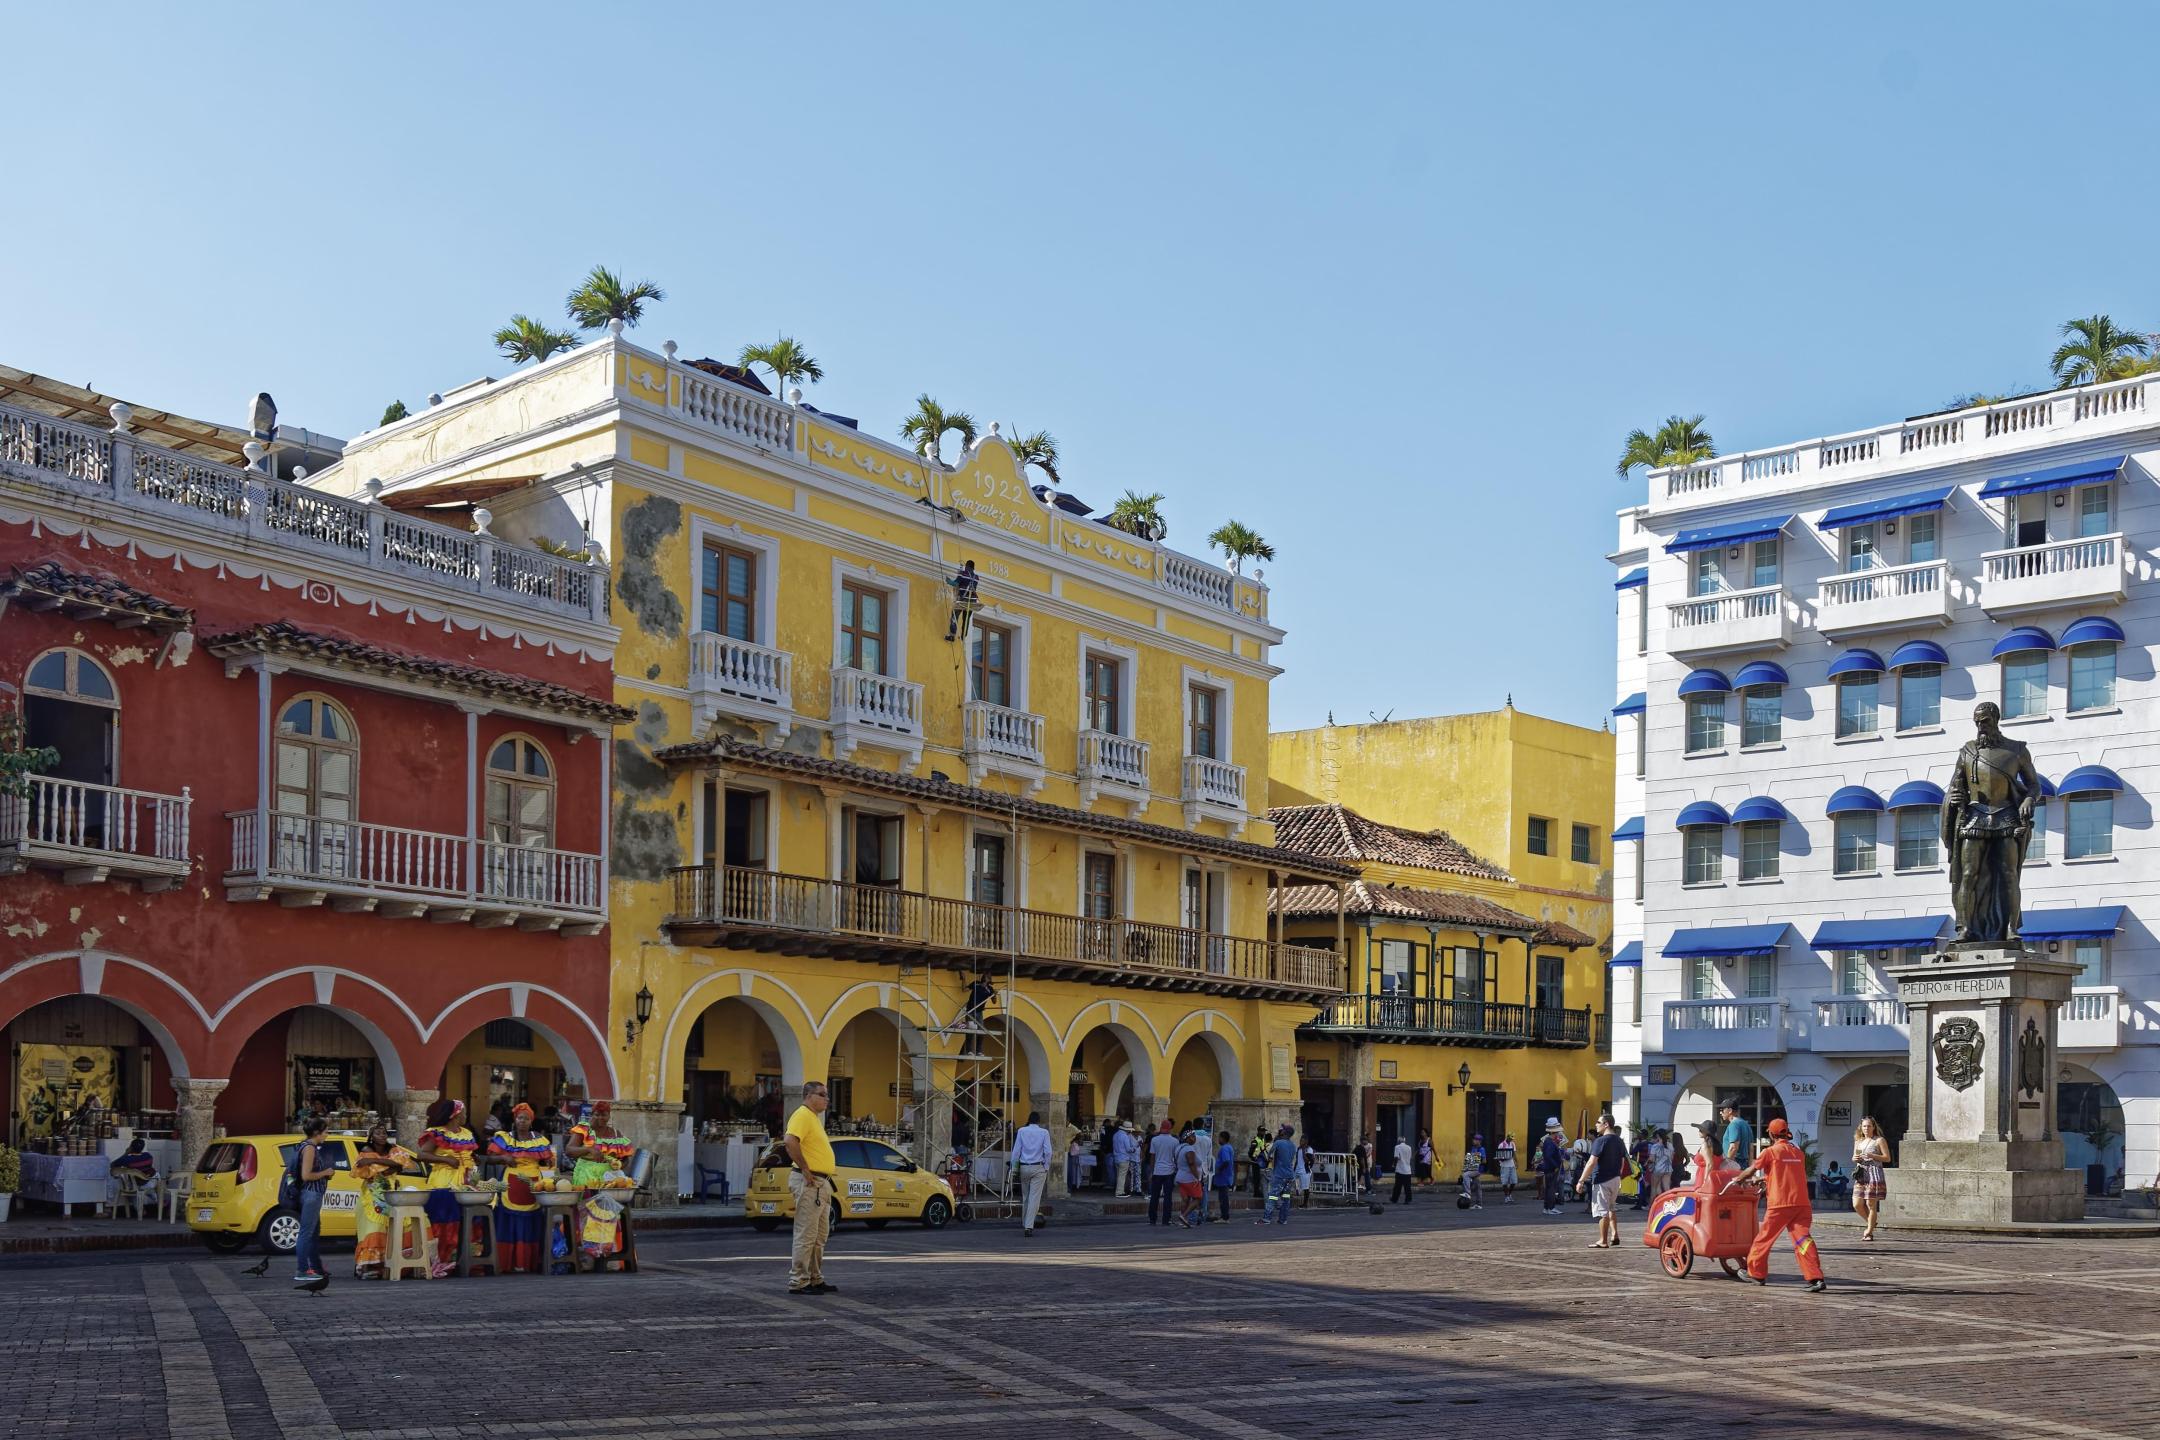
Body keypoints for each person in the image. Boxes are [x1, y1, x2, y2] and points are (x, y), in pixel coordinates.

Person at [1723, 1117, 1827, 1292]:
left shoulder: (1770, 1152)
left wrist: (1738, 1179)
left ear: (1771, 1134)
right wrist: (1764, 1179)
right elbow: (1787, 1174)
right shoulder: (1798, 1152)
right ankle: (1815, 1278)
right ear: (1786, 1133)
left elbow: (1751, 1169)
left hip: (1780, 1205)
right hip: (1801, 1204)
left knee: (1763, 1239)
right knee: (1803, 1240)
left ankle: (1756, 1273)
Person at [781, 1081, 837, 1294]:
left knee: (819, 1234)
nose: (826, 1099)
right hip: (811, 1181)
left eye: (827, 1095)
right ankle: (799, 1281)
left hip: (820, 1182)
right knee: (806, 1234)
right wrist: (805, 1169)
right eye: (822, 1094)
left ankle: (814, 1277)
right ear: (808, 1096)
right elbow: (790, 1140)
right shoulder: (803, 1115)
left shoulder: (813, 1118)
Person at [566, 1100, 637, 1267]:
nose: (600, 1118)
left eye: (603, 1115)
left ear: (609, 1116)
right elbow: (569, 1149)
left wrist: (619, 1166)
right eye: (597, 1114)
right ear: (592, 1114)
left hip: (608, 1180)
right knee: (588, 1216)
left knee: (608, 1216)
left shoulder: (615, 1134)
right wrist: (588, 1149)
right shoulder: (584, 1130)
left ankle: (609, 1256)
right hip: (587, 1178)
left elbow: (626, 1158)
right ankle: (586, 1258)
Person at [488, 1103, 555, 1274]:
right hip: (511, 1183)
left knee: (530, 1221)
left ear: (531, 1121)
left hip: (534, 1183)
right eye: (519, 1118)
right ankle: (508, 1263)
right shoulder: (505, 1137)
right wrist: (504, 1157)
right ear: (515, 1120)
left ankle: (527, 1262)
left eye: (526, 1118)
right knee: (510, 1221)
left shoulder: (539, 1138)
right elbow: (490, 1158)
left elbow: (547, 1159)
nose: (522, 1121)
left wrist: (548, 1161)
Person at [416, 1099, 479, 1278]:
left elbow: (467, 1152)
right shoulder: (437, 1133)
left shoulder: (466, 1133)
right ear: (455, 1114)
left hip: (466, 1182)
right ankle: (441, 1261)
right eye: (463, 1112)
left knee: (465, 1222)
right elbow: (422, 1155)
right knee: (444, 1222)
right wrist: (446, 1160)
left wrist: (473, 1159)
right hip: (443, 1184)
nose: (465, 1115)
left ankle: (462, 1260)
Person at [351, 1122, 410, 1280]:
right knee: (374, 1227)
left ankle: (390, 1265)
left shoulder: (393, 1148)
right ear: (371, 1137)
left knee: (396, 1227)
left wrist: (373, 1162)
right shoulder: (366, 1150)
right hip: (372, 1196)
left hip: (392, 1193)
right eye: (378, 1133)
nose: (382, 1136)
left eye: (384, 1133)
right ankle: (368, 1266)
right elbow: (371, 1172)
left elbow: (400, 1163)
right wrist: (390, 1165)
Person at [291, 1117, 336, 1286]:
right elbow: (306, 1175)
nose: (327, 1134)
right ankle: (302, 1270)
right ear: (317, 1132)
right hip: (312, 1194)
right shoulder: (309, 1148)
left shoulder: (304, 1145)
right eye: (325, 1131)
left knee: (313, 1234)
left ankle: (316, 1268)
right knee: (306, 1233)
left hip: (310, 1194)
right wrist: (325, 1172)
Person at [1574, 1115, 1628, 1248]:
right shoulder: (1619, 1141)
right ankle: (1614, 1234)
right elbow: (1622, 1161)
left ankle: (1603, 1240)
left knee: (1602, 1211)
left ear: (1606, 1124)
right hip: (1615, 1178)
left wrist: (1581, 1180)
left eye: (1598, 1122)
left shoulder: (1600, 1141)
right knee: (1611, 1207)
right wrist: (1618, 1175)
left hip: (1602, 1179)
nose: (1596, 1124)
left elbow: (1592, 1162)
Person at [1011, 1110, 1052, 1237]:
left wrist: (1014, 1169)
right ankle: (1028, 1226)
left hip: (1024, 1167)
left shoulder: (1022, 1131)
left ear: (1029, 1119)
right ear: (1038, 1121)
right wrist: (1046, 1166)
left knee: (1026, 1196)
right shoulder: (1044, 1132)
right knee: (1034, 1198)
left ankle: (1025, 1222)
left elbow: (1016, 1152)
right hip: (1038, 1167)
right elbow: (1048, 1152)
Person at [1852, 1116, 1891, 1241]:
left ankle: (1869, 1232)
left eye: (1869, 1126)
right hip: (1861, 1173)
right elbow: (1854, 1157)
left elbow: (1887, 1158)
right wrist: (1855, 1159)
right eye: (1864, 1126)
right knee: (1857, 1204)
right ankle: (1872, 1223)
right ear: (1861, 1128)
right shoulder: (1858, 1141)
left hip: (1874, 1173)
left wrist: (1872, 1155)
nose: (1866, 1128)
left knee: (1871, 1204)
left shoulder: (1879, 1140)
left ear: (1874, 1127)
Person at [1257, 1123, 1299, 1225]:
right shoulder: (1293, 1145)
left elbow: (1269, 1156)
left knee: (1272, 1196)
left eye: (1282, 1129)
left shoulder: (1278, 1143)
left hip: (1279, 1175)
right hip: (1290, 1175)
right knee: (1286, 1198)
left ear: (1284, 1132)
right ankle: (1283, 1219)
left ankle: (1267, 1218)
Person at [1146, 1119, 1181, 1225]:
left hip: (1157, 1171)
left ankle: (1152, 1219)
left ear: (1161, 1127)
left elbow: (1152, 1157)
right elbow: (1176, 1157)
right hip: (1169, 1172)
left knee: (1154, 1196)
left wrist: (1152, 1171)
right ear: (1170, 1128)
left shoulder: (1155, 1140)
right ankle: (1166, 1219)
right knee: (1168, 1197)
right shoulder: (1175, 1141)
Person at [1174, 1129, 1206, 1229]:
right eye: (1192, 1136)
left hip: (1180, 1176)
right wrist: (1197, 1177)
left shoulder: (1179, 1148)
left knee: (1185, 1199)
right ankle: (1183, 1216)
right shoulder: (1189, 1149)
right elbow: (1191, 1163)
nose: (1194, 1138)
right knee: (1198, 1198)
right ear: (1187, 1138)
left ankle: (1183, 1221)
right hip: (1189, 1178)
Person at [944, 559, 981, 641]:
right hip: (972, 601)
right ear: (973, 568)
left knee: (954, 615)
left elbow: (955, 583)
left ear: (967, 566)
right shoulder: (976, 578)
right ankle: (963, 636)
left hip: (963, 600)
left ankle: (952, 635)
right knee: (966, 619)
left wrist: (948, 580)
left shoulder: (963, 574)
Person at [1537, 1118, 1568, 1215]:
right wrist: (1555, 1166)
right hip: (1551, 1169)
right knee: (1551, 1189)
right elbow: (1548, 1156)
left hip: (1550, 1168)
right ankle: (1550, 1207)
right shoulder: (1549, 1142)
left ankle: (1547, 1208)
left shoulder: (1549, 1141)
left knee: (1549, 1188)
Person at [1212, 1130, 1238, 1223]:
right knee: (1223, 1197)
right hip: (1225, 1176)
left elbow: (1226, 1161)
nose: (1218, 1139)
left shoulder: (1224, 1149)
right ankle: (1224, 1216)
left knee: (1223, 1197)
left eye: (1219, 1137)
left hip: (1223, 1176)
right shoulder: (1228, 1147)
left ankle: (1224, 1217)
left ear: (1223, 1138)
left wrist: (1219, 1169)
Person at [1719, 1100, 1754, 1167]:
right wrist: (1749, 1167)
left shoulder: (1734, 1124)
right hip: (1744, 1164)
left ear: (1730, 1111)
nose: (1720, 1112)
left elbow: (1733, 1147)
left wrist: (1726, 1165)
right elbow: (1751, 1149)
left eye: (1722, 1110)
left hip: (1735, 1164)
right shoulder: (1745, 1124)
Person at [1645, 1129, 1672, 1204]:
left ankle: (1651, 1206)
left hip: (1658, 1169)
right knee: (1667, 1188)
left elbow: (1652, 1159)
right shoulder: (1670, 1145)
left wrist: (1647, 1162)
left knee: (1654, 1188)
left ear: (1658, 1136)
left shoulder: (1655, 1146)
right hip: (1668, 1168)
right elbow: (1672, 1157)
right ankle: (1669, 1204)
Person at [1112, 1122, 1139, 1196]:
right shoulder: (1125, 1136)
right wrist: (1134, 1149)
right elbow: (1128, 1149)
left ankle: (1119, 1190)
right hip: (1124, 1158)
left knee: (1119, 1175)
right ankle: (1119, 1192)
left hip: (1116, 1158)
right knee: (1122, 1176)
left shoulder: (1115, 1135)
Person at [1460, 1134, 1486, 1209]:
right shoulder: (1473, 1148)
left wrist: (1477, 1162)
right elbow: (1470, 1159)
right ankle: (1479, 1204)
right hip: (1472, 1169)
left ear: (1479, 1141)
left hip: (1477, 1170)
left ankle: (1467, 1193)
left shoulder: (1482, 1149)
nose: (1473, 1141)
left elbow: (1484, 1161)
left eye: (1475, 1140)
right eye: (1473, 1139)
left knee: (1465, 1175)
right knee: (1478, 1187)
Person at [1389, 1133, 1415, 1204]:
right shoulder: (1409, 1147)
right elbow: (1410, 1158)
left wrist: (1394, 1165)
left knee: (1397, 1186)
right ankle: (1408, 1199)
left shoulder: (1397, 1147)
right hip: (1408, 1170)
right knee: (1407, 1187)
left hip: (1400, 1170)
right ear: (1404, 1141)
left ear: (1398, 1141)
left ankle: (1394, 1199)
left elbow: (1396, 1157)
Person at [1248, 1125, 1271, 1200]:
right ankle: (1256, 1192)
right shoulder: (1255, 1140)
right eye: (1262, 1131)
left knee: (1261, 1177)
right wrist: (1255, 1159)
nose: (1264, 1132)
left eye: (1264, 1131)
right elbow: (1250, 1152)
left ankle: (1259, 1191)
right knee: (1256, 1177)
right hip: (1256, 1162)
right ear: (1259, 1131)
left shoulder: (1262, 1140)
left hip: (1262, 1162)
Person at [1494, 1132, 1518, 1204]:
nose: (1511, 1139)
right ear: (1507, 1137)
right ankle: (1506, 1196)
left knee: (1514, 1181)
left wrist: (1517, 1162)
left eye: (1512, 1138)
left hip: (1511, 1164)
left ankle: (1509, 1194)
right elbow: (1499, 1156)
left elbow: (1514, 1154)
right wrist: (1502, 1159)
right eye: (1510, 1138)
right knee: (1504, 1182)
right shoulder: (1502, 1145)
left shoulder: (1512, 1144)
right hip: (1504, 1165)